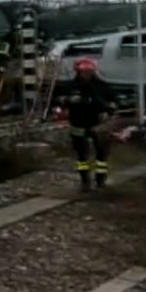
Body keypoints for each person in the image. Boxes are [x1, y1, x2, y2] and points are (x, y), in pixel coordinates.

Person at [61, 58, 117, 192]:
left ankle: (100, 179)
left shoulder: (102, 87)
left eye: (89, 71)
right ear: (78, 72)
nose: (86, 74)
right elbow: (58, 100)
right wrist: (68, 100)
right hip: (78, 124)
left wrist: (108, 110)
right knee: (81, 155)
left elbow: (114, 102)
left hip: (97, 125)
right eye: (83, 72)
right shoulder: (70, 86)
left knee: (101, 154)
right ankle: (84, 180)